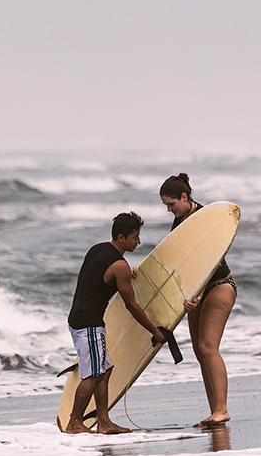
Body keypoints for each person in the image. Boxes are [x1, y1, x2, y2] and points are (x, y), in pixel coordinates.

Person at [65, 212, 166, 434]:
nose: (138, 242)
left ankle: (104, 421)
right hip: (88, 324)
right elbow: (131, 305)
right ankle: (74, 423)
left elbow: (89, 279)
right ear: (121, 237)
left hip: (79, 318)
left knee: (104, 370)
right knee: (93, 374)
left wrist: (124, 276)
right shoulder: (119, 265)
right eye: (135, 237)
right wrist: (155, 332)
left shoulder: (97, 249)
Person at [160, 173, 236, 426]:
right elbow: (179, 261)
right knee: (198, 350)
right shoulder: (179, 222)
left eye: (171, 204)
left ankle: (222, 409)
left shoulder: (207, 218)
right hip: (197, 292)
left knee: (208, 347)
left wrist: (200, 292)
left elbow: (212, 258)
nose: (169, 210)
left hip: (218, 286)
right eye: (166, 206)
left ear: (185, 197)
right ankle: (215, 410)